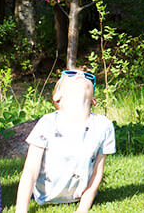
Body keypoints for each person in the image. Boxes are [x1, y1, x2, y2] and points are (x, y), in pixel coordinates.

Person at [14, 69, 116, 213]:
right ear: (58, 97)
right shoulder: (48, 122)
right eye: (71, 74)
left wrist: (82, 209)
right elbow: (30, 171)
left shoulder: (103, 125)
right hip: (44, 196)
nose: (80, 74)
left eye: (87, 76)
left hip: (78, 196)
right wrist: (21, 210)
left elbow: (97, 173)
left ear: (93, 100)